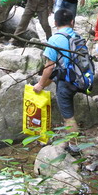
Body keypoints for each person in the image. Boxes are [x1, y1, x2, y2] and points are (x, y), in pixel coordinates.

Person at [33, 9, 81, 155]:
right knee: (69, 112)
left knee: (68, 117)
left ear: (55, 23)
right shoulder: (77, 36)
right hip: (79, 79)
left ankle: (74, 147)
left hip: (65, 82)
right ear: (72, 22)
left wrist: (40, 84)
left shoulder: (54, 40)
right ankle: (69, 140)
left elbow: (50, 66)